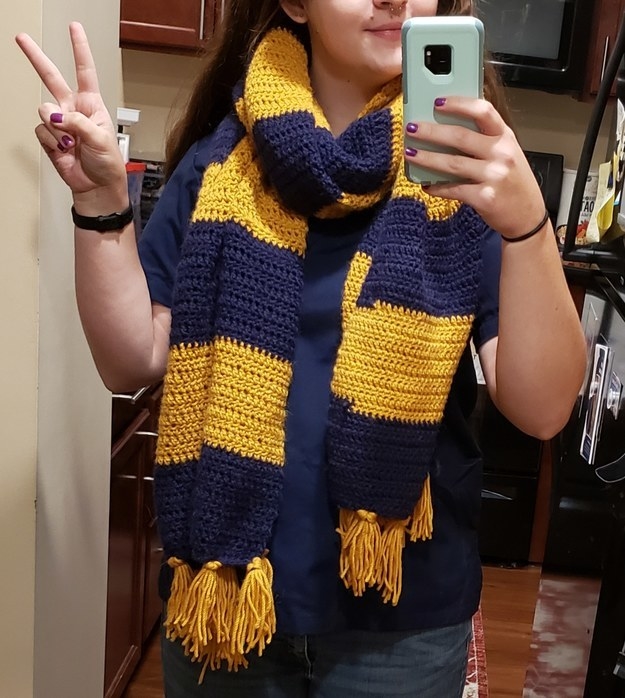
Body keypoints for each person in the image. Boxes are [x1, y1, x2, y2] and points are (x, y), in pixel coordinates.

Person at [16, 1, 587, 696]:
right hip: (226, 602)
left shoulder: (468, 176)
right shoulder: (220, 165)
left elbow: (542, 409)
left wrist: (528, 225)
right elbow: (130, 359)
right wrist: (101, 204)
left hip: (399, 623)